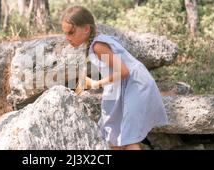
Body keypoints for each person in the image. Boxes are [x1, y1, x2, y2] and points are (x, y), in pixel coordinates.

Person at [61, 6, 168, 150]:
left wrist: (96, 83)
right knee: (113, 134)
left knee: (129, 138)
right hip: (124, 86)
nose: (68, 38)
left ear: (86, 29)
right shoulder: (93, 45)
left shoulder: (99, 46)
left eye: (71, 32)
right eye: (66, 33)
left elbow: (124, 71)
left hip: (136, 85)